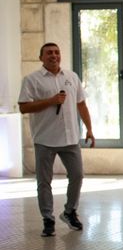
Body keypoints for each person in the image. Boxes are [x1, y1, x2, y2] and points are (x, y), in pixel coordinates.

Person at [18, 42, 95, 237]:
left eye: (57, 52)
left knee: (77, 175)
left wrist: (89, 129)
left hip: (70, 138)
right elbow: (24, 107)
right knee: (44, 181)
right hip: (44, 138)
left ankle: (69, 212)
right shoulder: (31, 80)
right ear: (41, 57)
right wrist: (51, 101)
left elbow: (81, 105)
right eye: (49, 53)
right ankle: (48, 219)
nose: (54, 56)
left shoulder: (71, 77)